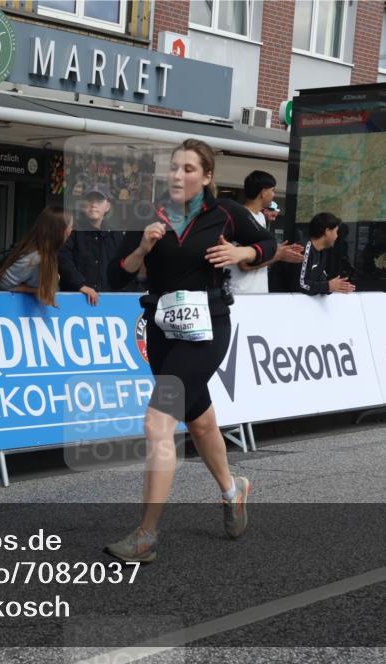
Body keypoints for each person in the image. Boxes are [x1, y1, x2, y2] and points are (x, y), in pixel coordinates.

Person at [103, 139, 278, 563]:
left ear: (207, 176)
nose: (178, 176)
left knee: (157, 421)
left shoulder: (226, 213)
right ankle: (233, 490)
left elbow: (268, 246)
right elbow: (116, 271)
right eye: (175, 168)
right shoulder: (151, 213)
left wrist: (243, 252)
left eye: (188, 169)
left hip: (208, 331)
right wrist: (143, 248)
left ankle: (146, 536)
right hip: (162, 330)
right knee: (199, 421)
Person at [228, 171, 303, 294]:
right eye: (272, 190)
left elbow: (259, 253)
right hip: (242, 293)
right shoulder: (241, 217)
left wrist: (279, 251)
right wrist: (278, 255)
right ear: (263, 192)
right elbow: (244, 264)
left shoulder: (261, 217)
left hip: (258, 292)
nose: (274, 194)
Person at [58, 186, 125, 305]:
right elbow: (63, 260)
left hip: (110, 304)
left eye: (99, 201)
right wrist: (81, 285)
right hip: (75, 301)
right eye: (89, 200)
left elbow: (123, 268)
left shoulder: (117, 235)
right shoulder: (72, 231)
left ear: (107, 206)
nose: (93, 204)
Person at [0, 206, 73, 307]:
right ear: (61, 229)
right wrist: (36, 291)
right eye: (70, 225)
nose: (71, 229)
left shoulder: (49, 253)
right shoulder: (33, 258)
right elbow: (3, 283)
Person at [297, 212, 356, 295]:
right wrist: (328, 286)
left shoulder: (322, 251)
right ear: (327, 231)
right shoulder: (303, 249)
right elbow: (301, 285)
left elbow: (321, 281)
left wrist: (335, 286)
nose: (337, 236)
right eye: (336, 232)